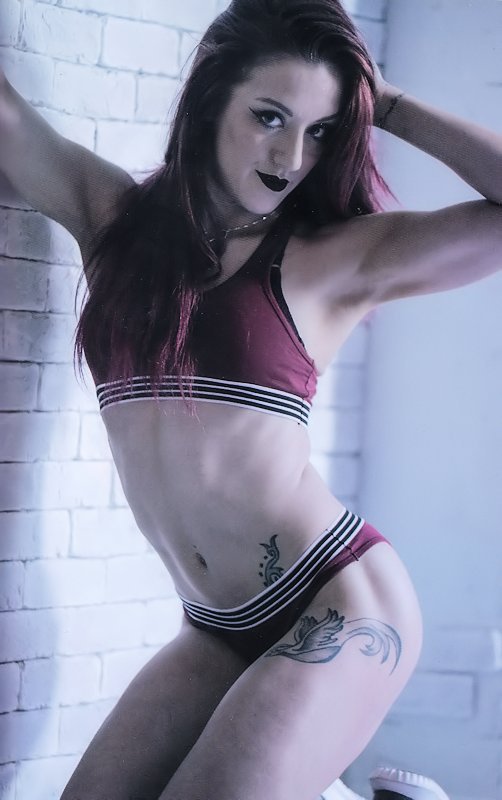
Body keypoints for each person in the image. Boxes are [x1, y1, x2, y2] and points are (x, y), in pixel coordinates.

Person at [0, 0, 500, 798]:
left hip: (338, 601)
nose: (292, 156)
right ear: (211, 100)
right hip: (214, 627)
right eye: (269, 117)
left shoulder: (332, 259)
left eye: (321, 131)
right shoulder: (113, 222)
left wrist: (388, 103)